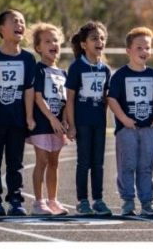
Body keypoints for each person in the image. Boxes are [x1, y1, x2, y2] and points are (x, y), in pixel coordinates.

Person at [108, 27, 153, 217]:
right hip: (128, 129)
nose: (144, 52)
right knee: (127, 164)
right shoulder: (120, 75)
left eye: (147, 48)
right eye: (139, 47)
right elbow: (112, 99)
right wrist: (123, 119)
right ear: (128, 50)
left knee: (146, 166)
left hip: (149, 127)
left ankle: (147, 202)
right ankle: (128, 201)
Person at [0, 9, 35, 217]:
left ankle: (15, 200)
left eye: (22, 22)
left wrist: (29, 116)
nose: (20, 25)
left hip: (17, 120)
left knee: (15, 162)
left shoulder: (28, 58)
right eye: (15, 21)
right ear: (1, 29)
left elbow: (29, 90)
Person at [65, 20, 111, 216]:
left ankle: (98, 199)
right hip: (82, 123)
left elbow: (106, 99)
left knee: (98, 163)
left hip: (98, 123)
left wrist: (105, 120)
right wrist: (72, 125)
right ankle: (82, 200)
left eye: (102, 38)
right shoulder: (76, 67)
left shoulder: (105, 69)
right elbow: (70, 99)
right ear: (84, 44)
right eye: (94, 38)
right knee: (84, 162)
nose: (99, 41)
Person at [28, 22, 70, 216]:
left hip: (58, 125)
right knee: (42, 160)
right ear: (38, 47)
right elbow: (38, 97)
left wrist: (66, 121)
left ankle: (53, 200)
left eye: (55, 40)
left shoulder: (63, 73)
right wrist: (52, 118)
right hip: (44, 122)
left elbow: (66, 100)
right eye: (47, 41)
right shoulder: (38, 70)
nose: (53, 44)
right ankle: (38, 202)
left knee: (54, 162)